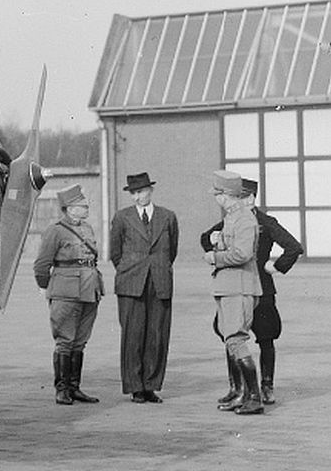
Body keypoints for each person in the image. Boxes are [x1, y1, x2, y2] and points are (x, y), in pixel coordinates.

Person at [199, 177, 302, 406]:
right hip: (238, 286)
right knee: (230, 336)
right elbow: (206, 237)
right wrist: (211, 241)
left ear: (252, 197)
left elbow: (294, 247)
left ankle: (266, 387)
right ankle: (237, 388)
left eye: (243, 196)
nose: (239, 200)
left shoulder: (265, 221)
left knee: (265, 338)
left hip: (262, 289)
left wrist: (276, 267)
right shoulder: (231, 219)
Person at [108, 172, 179, 403]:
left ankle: (151, 385)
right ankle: (135, 386)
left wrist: (158, 267)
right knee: (133, 335)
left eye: (141, 192)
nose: (138, 197)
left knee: (157, 334)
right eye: (134, 194)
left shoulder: (168, 217)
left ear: (151, 191)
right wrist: (131, 269)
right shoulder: (122, 218)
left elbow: (172, 251)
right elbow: (115, 253)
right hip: (131, 282)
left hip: (159, 281)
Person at [32, 184, 103, 405]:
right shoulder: (56, 231)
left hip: (90, 290)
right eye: (82, 205)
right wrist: (45, 286)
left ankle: (75, 387)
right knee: (65, 340)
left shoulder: (88, 228)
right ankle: (61, 389)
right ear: (69, 208)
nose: (86, 208)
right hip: (65, 291)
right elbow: (42, 264)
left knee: (80, 341)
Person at [203, 170, 264, 415]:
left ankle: (254, 397)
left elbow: (242, 254)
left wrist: (214, 256)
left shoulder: (244, 219)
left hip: (238, 288)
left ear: (226, 195)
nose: (216, 199)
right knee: (231, 340)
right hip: (230, 287)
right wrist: (218, 243)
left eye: (217, 194)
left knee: (237, 340)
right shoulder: (234, 218)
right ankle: (243, 394)